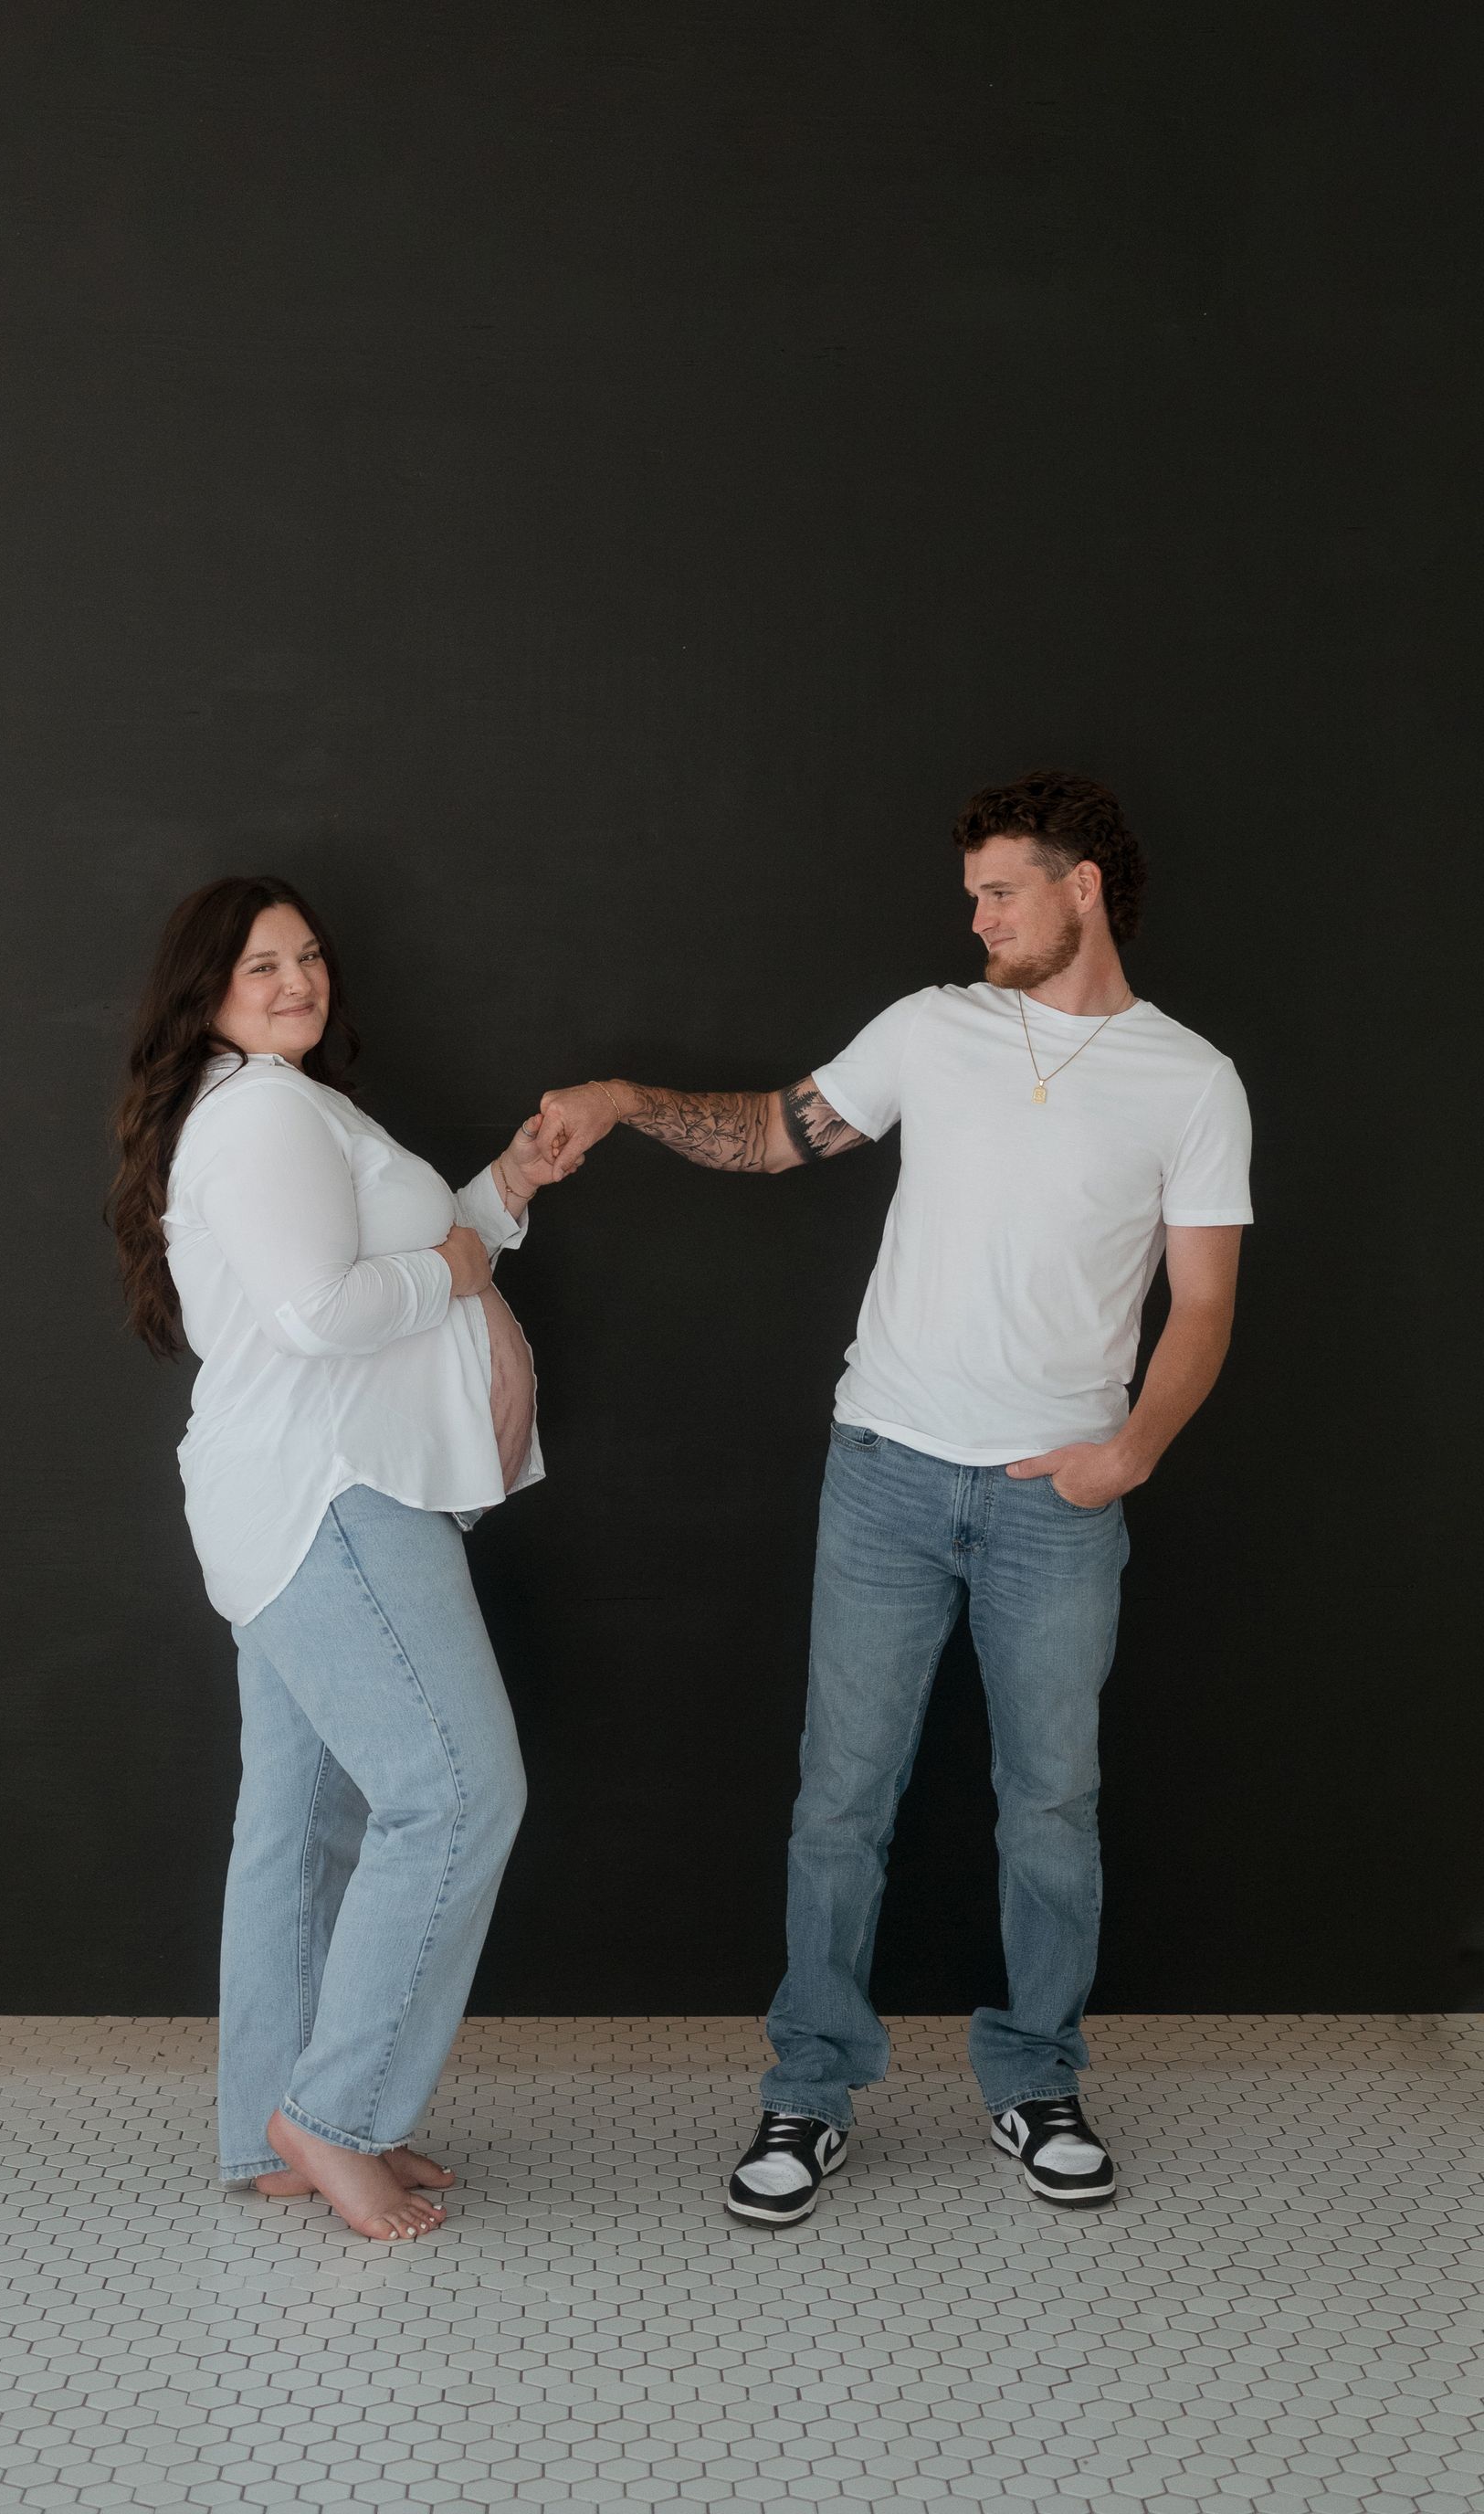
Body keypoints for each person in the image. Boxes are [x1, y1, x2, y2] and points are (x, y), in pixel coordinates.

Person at [534, 772, 1251, 2221]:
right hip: (885, 1480)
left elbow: (1207, 1302)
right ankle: (806, 2094)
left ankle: (1037, 2080)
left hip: (1059, 1498)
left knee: (1051, 1803)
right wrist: (618, 1099)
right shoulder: (935, 1026)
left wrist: (1133, 1453)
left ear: (1082, 889)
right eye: (973, 893)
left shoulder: (1192, 1078)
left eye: (1000, 890)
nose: (976, 914)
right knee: (840, 1801)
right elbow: (777, 1130)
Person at [110, 875, 566, 2242]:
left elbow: (411, 1247)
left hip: (299, 1498)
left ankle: (272, 2129)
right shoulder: (258, 1113)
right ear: (209, 989)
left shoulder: (280, 1105)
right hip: (334, 1500)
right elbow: (325, 1311)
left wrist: (509, 1193)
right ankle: (336, 2112)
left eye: (308, 956)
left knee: (305, 1824)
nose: (297, 980)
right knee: (457, 1793)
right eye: (262, 965)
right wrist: (463, 1274)